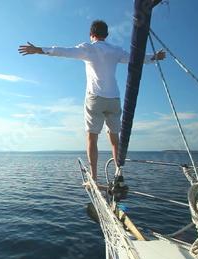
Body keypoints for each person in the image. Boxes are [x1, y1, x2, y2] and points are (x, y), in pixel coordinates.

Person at [18, 20, 166, 183]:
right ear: (106, 35)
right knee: (115, 139)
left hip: (94, 98)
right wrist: (155, 57)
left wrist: (38, 50)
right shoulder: (116, 50)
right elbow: (137, 58)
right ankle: (119, 174)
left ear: (92, 35)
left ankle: (94, 179)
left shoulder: (87, 48)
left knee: (92, 138)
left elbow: (62, 51)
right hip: (114, 99)